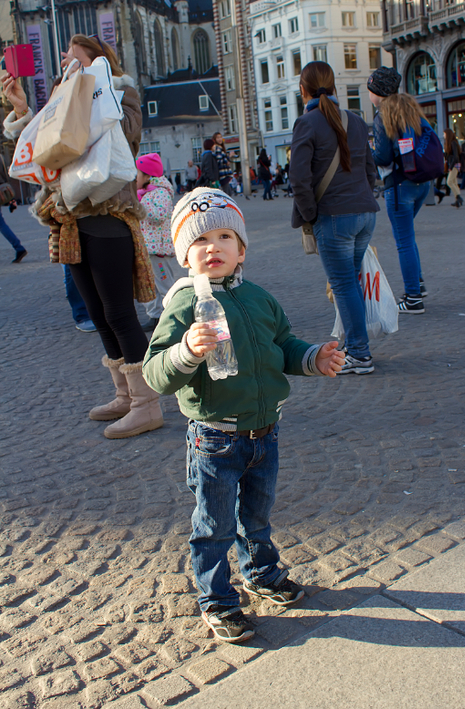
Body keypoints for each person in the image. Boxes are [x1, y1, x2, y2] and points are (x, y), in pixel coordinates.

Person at [143, 188, 344, 643]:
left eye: (224, 236)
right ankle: (217, 599)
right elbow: (155, 374)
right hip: (214, 438)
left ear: (242, 250)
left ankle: (261, 573)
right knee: (213, 525)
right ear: (183, 256)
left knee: (257, 515)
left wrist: (314, 357)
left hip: (265, 432)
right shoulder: (182, 305)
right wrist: (187, 351)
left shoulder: (260, 298)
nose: (213, 247)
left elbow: (283, 346)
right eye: (199, 241)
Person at [2, 33, 163, 439]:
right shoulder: (67, 94)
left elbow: (122, 134)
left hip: (108, 215)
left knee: (119, 312)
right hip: (69, 219)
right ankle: (126, 394)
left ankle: (148, 404)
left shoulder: (120, 92)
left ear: (98, 59)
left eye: (73, 56)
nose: (64, 61)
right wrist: (23, 111)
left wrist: (91, 83)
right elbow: (45, 145)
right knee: (96, 312)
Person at [290, 60, 378, 373]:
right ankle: (356, 345)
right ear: (335, 86)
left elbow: (298, 178)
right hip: (365, 213)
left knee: (343, 285)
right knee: (349, 283)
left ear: (303, 90)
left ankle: (359, 353)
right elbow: (370, 170)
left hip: (335, 216)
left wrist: (311, 215)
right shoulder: (356, 120)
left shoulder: (307, 123)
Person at [369, 66, 430, 314]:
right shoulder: (409, 108)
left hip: (399, 185)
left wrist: (368, 153)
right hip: (421, 183)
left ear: (378, 91)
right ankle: (419, 283)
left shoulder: (383, 115)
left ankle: (413, 297)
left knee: (404, 242)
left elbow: (383, 157)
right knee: (409, 237)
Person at [136, 153, 175, 332]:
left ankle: (173, 314)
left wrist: (140, 206)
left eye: (136, 174)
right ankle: (155, 314)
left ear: (147, 176)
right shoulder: (141, 194)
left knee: (164, 283)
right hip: (145, 248)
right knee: (147, 284)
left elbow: (159, 215)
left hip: (158, 249)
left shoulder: (160, 193)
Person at [0, 154, 27, 263]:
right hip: (2, 189)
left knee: (1, 224)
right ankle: (18, 247)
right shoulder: (1, 156)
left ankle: (19, 247)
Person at [443, 129, 463, 208]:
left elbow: (455, 156)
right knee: (454, 182)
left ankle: (458, 197)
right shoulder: (450, 143)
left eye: (444, 134)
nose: (443, 135)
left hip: (454, 165)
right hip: (453, 164)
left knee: (449, 182)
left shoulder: (453, 143)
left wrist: (450, 167)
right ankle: (457, 200)